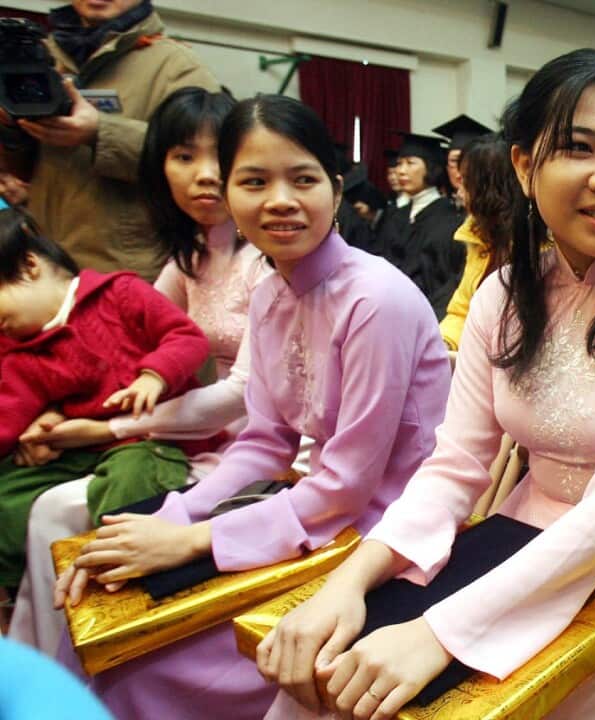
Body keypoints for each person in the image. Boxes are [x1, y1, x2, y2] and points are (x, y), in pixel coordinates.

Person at [256, 48, 595, 720]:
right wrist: (350, 581)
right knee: (326, 680)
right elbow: (455, 466)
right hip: (518, 532)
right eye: (578, 148)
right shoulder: (504, 294)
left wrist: (441, 632)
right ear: (523, 164)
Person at [56, 94, 451, 720]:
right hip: (311, 507)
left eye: (302, 178)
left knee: (147, 662)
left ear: (335, 184)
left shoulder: (378, 299)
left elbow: (350, 486)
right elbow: (265, 441)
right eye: (255, 181)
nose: (280, 200)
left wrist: (192, 541)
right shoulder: (270, 294)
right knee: (103, 616)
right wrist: (175, 515)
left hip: (383, 530)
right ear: (231, 196)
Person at [7, 87, 276, 655]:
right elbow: (129, 358)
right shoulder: (187, 262)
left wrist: (111, 430)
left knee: (61, 510)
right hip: (193, 429)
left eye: (218, 156)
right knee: (44, 507)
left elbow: (242, 395)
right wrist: (59, 410)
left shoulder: (265, 264)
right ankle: (46, 663)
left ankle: (88, 655)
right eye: (183, 157)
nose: (204, 175)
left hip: (256, 437)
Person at [0, 208, 209, 591]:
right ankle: (11, 590)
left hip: (151, 438)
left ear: (30, 266)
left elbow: (186, 337)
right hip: (81, 444)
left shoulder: (119, 293)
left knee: (129, 485)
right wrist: (30, 436)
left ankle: (121, 579)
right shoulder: (17, 345)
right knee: (7, 491)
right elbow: (8, 410)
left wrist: (154, 375)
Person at [0, 0, 220, 280]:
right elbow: (27, 171)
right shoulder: (39, 56)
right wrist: (13, 132)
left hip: (129, 273)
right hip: (44, 267)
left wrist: (100, 131)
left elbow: (211, 162)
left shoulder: (175, 66)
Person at [374, 132, 466, 317]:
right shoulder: (397, 216)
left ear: (430, 167)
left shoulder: (448, 218)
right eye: (399, 163)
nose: (401, 171)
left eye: (410, 163)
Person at [438, 133, 516, 352]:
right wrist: (442, 343)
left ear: (489, 189)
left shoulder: (540, 245)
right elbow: (462, 311)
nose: (460, 192)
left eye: (465, 182)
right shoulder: (479, 236)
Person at [432, 113, 494, 209]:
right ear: (447, 168)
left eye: (468, 160)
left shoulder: (497, 212)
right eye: (454, 161)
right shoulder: (436, 210)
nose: (461, 169)